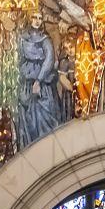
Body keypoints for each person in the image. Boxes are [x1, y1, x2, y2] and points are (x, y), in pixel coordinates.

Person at [17, 10, 61, 148]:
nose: (37, 21)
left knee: (45, 118)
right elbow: (19, 58)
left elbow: (49, 61)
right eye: (34, 17)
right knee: (29, 120)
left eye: (40, 18)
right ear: (29, 19)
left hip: (42, 85)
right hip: (27, 83)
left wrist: (39, 80)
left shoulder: (45, 40)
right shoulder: (22, 38)